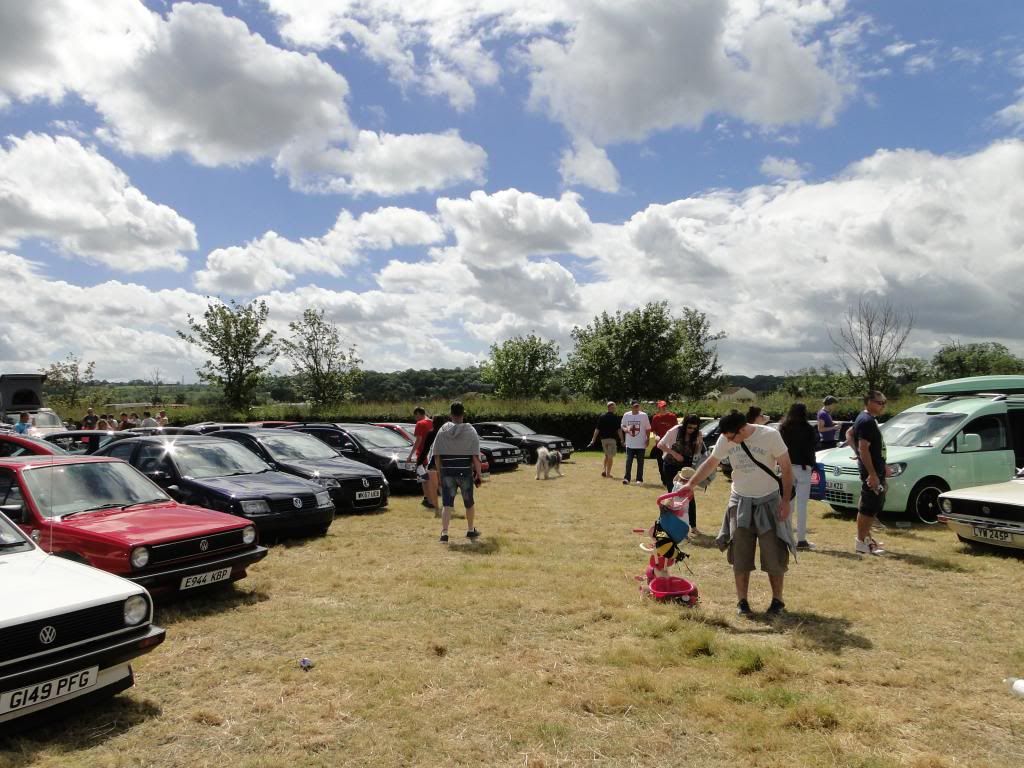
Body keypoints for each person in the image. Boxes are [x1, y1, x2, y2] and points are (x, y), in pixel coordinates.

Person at [680, 410, 794, 617]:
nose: (729, 442)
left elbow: (786, 468)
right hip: (740, 500)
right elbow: (711, 463)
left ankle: (778, 601)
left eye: (732, 437)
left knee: (774, 553)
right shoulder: (727, 438)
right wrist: (690, 484)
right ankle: (742, 602)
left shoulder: (770, 435)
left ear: (742, 429)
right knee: (740, 554)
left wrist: (785, 501)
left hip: (769, 500)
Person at [432, 402, 482, 543]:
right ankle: (470, 530)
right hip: (465, 471)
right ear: (463, 414)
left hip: (447, 471)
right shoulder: (470, 431)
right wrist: (479, 474)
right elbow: (475, 456)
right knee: (469, 503)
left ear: (450, 414)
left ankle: (444, 533)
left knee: (447, 504)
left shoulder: (442, 430)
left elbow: (437, 455)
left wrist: (439, 474)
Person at [778, 402, 819, 550]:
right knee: (802, 505)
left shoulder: (783, 428)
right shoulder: (808, 429)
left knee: (787, 503)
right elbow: (814, 445)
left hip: (786, 467)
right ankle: (801, 539)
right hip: (803, 468)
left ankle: (787, 536)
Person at [853, 391, 887, 556]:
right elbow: (864, 447)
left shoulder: (865, 419)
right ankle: (861, 541)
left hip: (875, 469)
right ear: (869, 402)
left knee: (869, 504)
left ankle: (866, 540)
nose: (883, 406)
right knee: (869, 506)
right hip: (871, 472)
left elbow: (849, 434)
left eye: (884, 402)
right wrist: (872, 474)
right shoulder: (866, 421)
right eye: (879, 402)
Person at [656, 413, 704, 529]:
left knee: (689, 495)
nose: (691, 430)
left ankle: (693, 526)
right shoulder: (675, 430)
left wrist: (699, 443)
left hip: (686, 468)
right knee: (672, 495)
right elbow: (660, 444)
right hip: (670, 465)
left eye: (694, 428)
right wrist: (674, 453)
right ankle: (666, 523)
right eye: (689, 427)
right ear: (685, 425)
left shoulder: (697, 435)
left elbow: (697, 453)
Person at [619, 401, 651, 486]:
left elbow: (648, 428)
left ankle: (639, 479)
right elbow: (622, 424)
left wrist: (648, 439)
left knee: (640, 463)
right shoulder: (626, 415)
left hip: (641, 444)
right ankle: (626, 478)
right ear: (631, 407)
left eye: (637, 406)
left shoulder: (644, 415)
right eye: (634, 406)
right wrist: (625, 429)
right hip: (630, 444)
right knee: (628, 461)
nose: (636, 408)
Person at [420, 414, 447, 514]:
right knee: (443, 485)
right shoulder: (446, 433)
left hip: (433, 462)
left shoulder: (431, 433)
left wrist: (419, 462)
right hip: (444, 462)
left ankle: (436, 508)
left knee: (433, 486)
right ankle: (447, 506)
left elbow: (426, 449)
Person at [409, 407, 434, 509]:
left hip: (422, 455)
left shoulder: (420, 424)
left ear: (419, 413)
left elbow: (418, 440)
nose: (416, 419)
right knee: (429, 477)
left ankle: (427, 499)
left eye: (416, 416)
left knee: (423, 478)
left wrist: (411, 455)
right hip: (431, 453)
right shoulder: (433, 422)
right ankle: (429, 498)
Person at [587, 401, 621, 478]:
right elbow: (619, 430)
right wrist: (622, 440)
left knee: (606, 455)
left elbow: (597, 429)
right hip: (611, 440)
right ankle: (608, 474)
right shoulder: (615, 417)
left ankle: (604, 470)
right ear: (610, 408)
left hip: (603, 440)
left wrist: (593, 440)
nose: (614, 408)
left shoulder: (602, 417)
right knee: (610, 456)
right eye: (613, 407)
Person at [649, 400, 678, 477]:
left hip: (670, 444)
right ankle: (664, 480)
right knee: (660, 462)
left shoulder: (672, 417)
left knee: (670, 462)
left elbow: (676, 429)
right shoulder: (656, 418)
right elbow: (653, 430)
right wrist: (656, 436)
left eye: (665, 406)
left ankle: (670, 478)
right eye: (662, 407)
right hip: (660, 444)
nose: (664, 408)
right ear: (659, 408)